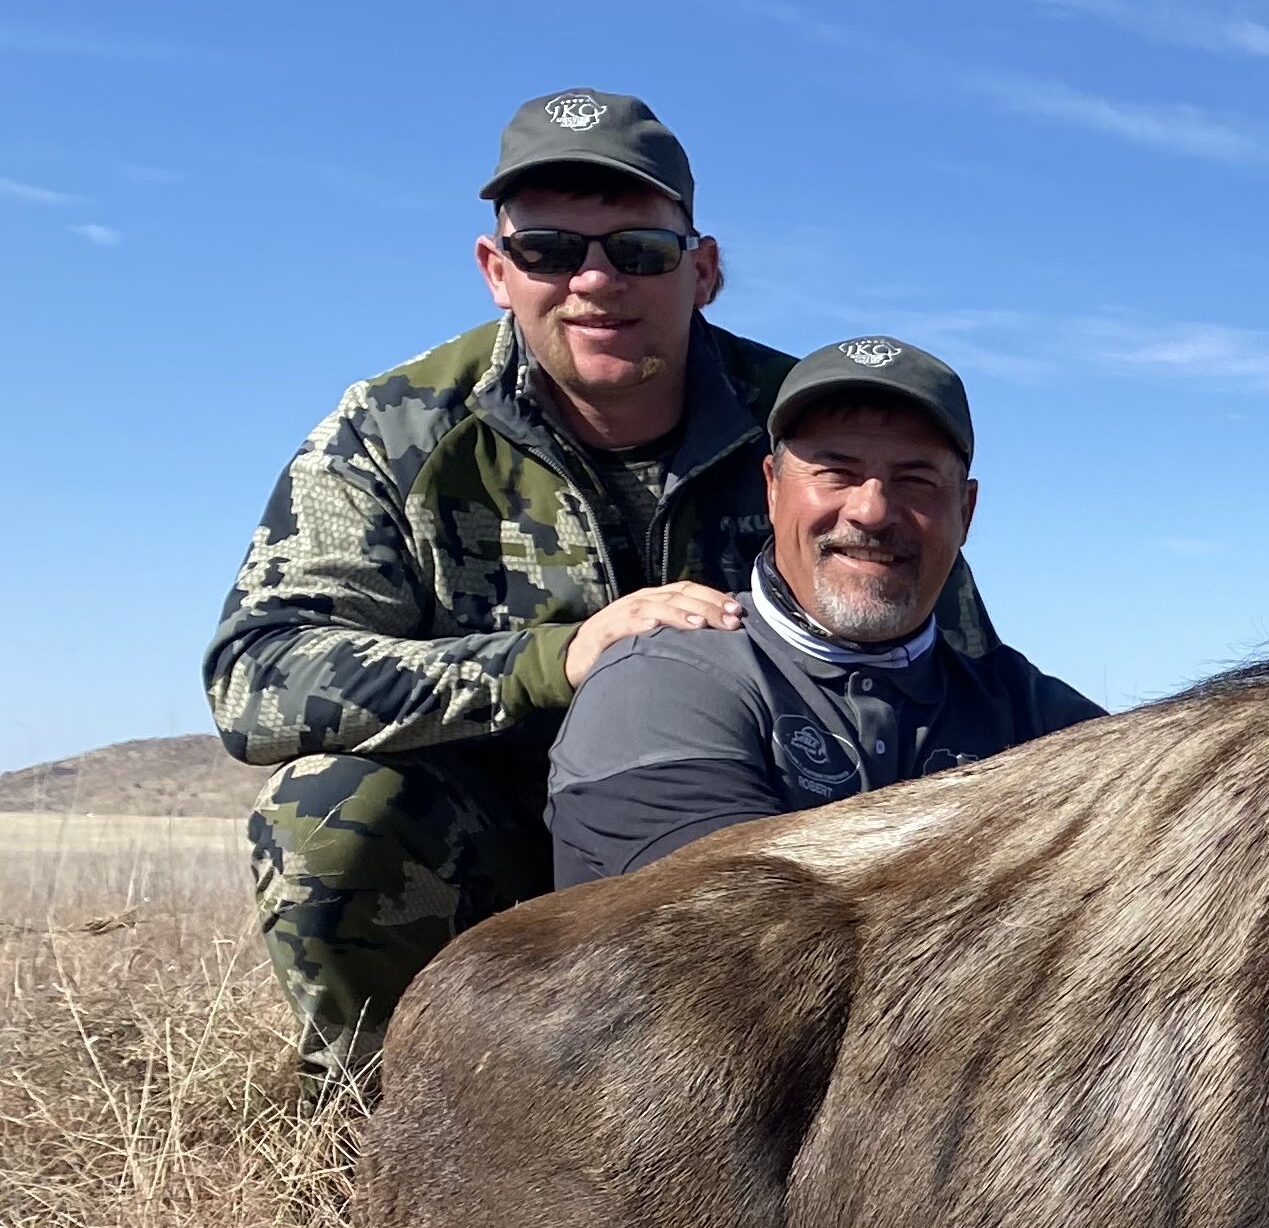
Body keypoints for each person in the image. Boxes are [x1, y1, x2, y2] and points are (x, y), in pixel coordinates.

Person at [208, 88, 1000, 1086]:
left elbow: (955, 666)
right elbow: (258, 676)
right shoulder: (392, 426)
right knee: (330, 814)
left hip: (757, 838)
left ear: (701, 269)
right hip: (488, 848)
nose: (593, 281)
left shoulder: (816, 428)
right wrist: (551, 661)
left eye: (638, 251)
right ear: (497, 271)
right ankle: (390, 1123)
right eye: (547, 250)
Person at [547, 337, 1098, 883]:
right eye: (836, 472)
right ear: (771, 489)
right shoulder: (659, 679)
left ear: (966, 511)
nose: (872, 510)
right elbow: (738, 930)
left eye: (915, 479)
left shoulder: (1031, 714)